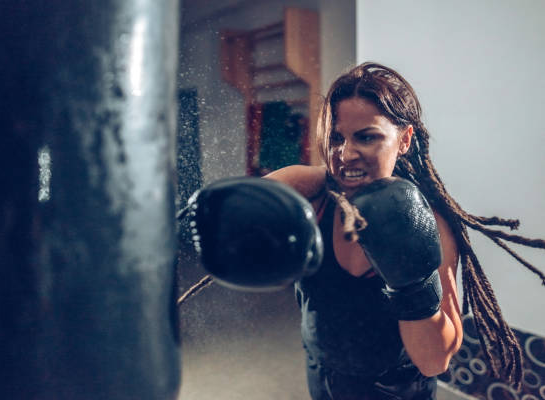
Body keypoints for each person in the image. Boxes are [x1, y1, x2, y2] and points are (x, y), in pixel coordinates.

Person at [179, 62, 545, 399]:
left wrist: (412, 284)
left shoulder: (428, 221)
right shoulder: (311, 191)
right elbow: (232, 210)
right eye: (337, 138)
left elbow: (435, 361)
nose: (346, 153)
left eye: (367, 137)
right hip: (324, 377)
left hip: (397, 390)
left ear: (404, 140)